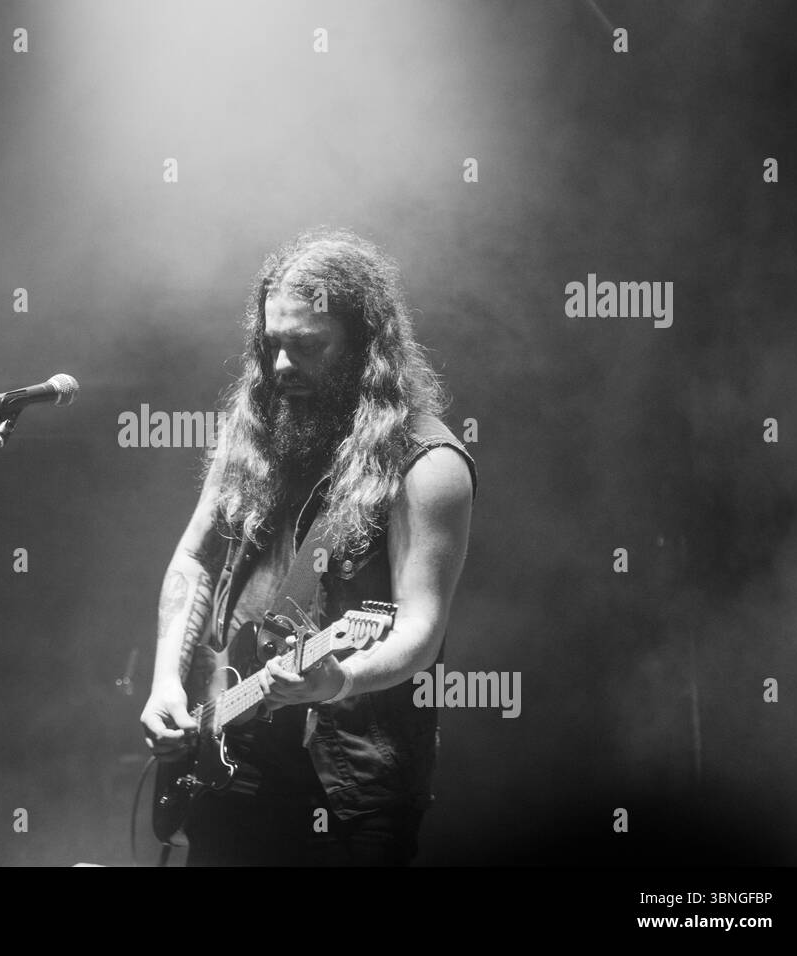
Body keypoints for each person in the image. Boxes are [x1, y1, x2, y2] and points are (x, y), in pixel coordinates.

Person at [140, 228, 476, 866]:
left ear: (364, 346)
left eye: (307, 346)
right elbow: (195, 558)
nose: (282, 367)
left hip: (349, 788)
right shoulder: (255, 437)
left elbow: (420, 628)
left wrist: (339, 677)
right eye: (272, 347)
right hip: (230, 770)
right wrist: (165, 684)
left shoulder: (427, 465)